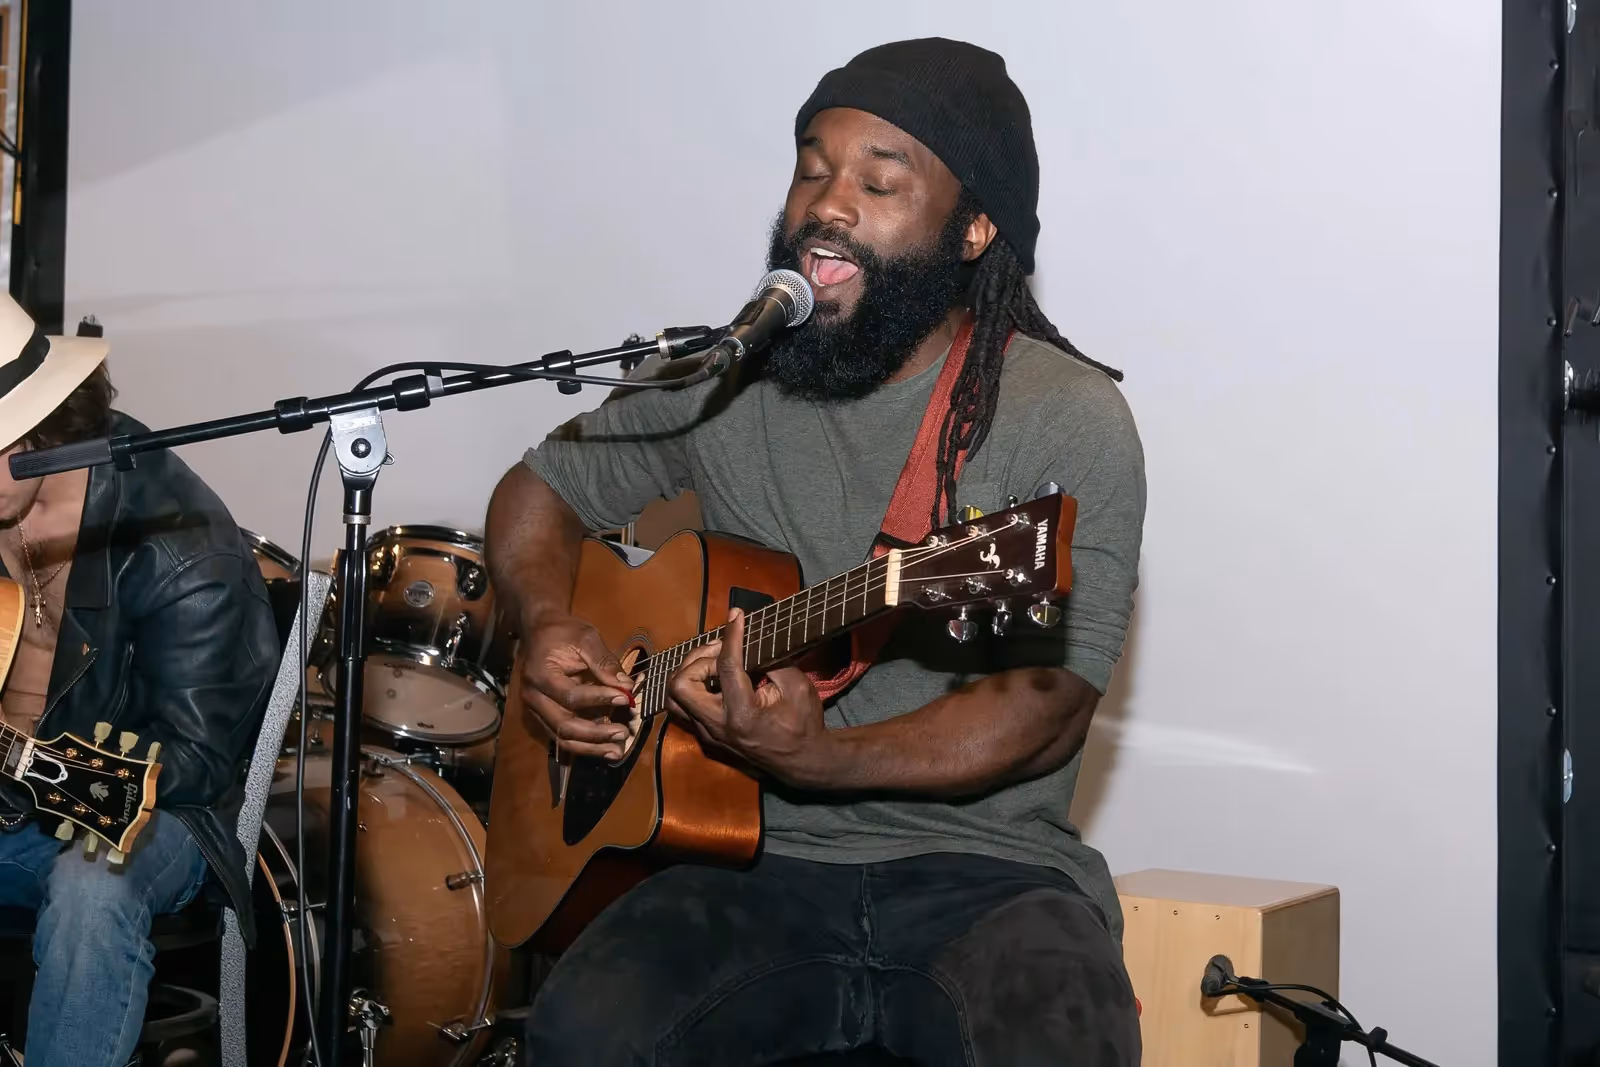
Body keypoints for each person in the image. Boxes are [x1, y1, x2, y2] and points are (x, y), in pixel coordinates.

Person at [487, 38, 1146, 1066]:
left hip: (984, 867)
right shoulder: (721, 376)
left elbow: (1043, 709)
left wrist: (822, 754)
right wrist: (546, 624)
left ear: (974, 229)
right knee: (579, 1035)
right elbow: (536, 493)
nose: (828, 205)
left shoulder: (1064, 416)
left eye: (880, 180)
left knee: (1060, 1038)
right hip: (740, 859)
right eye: (812, 168)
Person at [0, 297, 280, 1067]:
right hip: (11, 793)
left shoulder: (182, 545)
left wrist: (33, 767)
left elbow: (196, 757)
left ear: (35, 433)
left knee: (93, 888)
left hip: (157, 809)